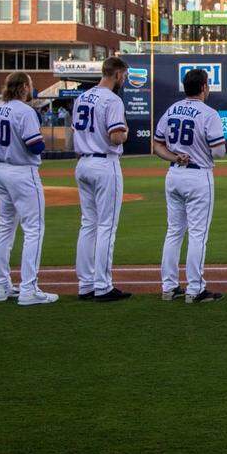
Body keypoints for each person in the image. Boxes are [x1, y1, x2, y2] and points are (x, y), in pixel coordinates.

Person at [153, 68, 227, 304]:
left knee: (173, 232)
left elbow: (157, 145)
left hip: (174, 174)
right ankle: (195, 289)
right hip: (198, 175)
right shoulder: (209, 113)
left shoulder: (171, 110)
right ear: (204, 87)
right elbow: (220, 152)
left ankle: (169, 287)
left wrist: (175, 157)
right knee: (197, 234)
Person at [0, 72, 57, 306]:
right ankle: (29, 289)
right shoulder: (25, 111)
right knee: (34, 229)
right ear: (24, 87)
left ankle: (1, 286)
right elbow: (35, 145)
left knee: (4, 227)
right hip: (22, 171)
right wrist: (42, 140)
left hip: (1, 170)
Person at [73, 57, 131, 302]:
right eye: (124, 75)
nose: (125, 80)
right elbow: (117, 136)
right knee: (107, 225)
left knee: (88, 224)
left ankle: (85, 284)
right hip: (104, 162)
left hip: (83, 161)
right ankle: (103, 285)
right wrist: (126, 131)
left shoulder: (81, 97)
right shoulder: (112, 99)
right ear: (117, 74)